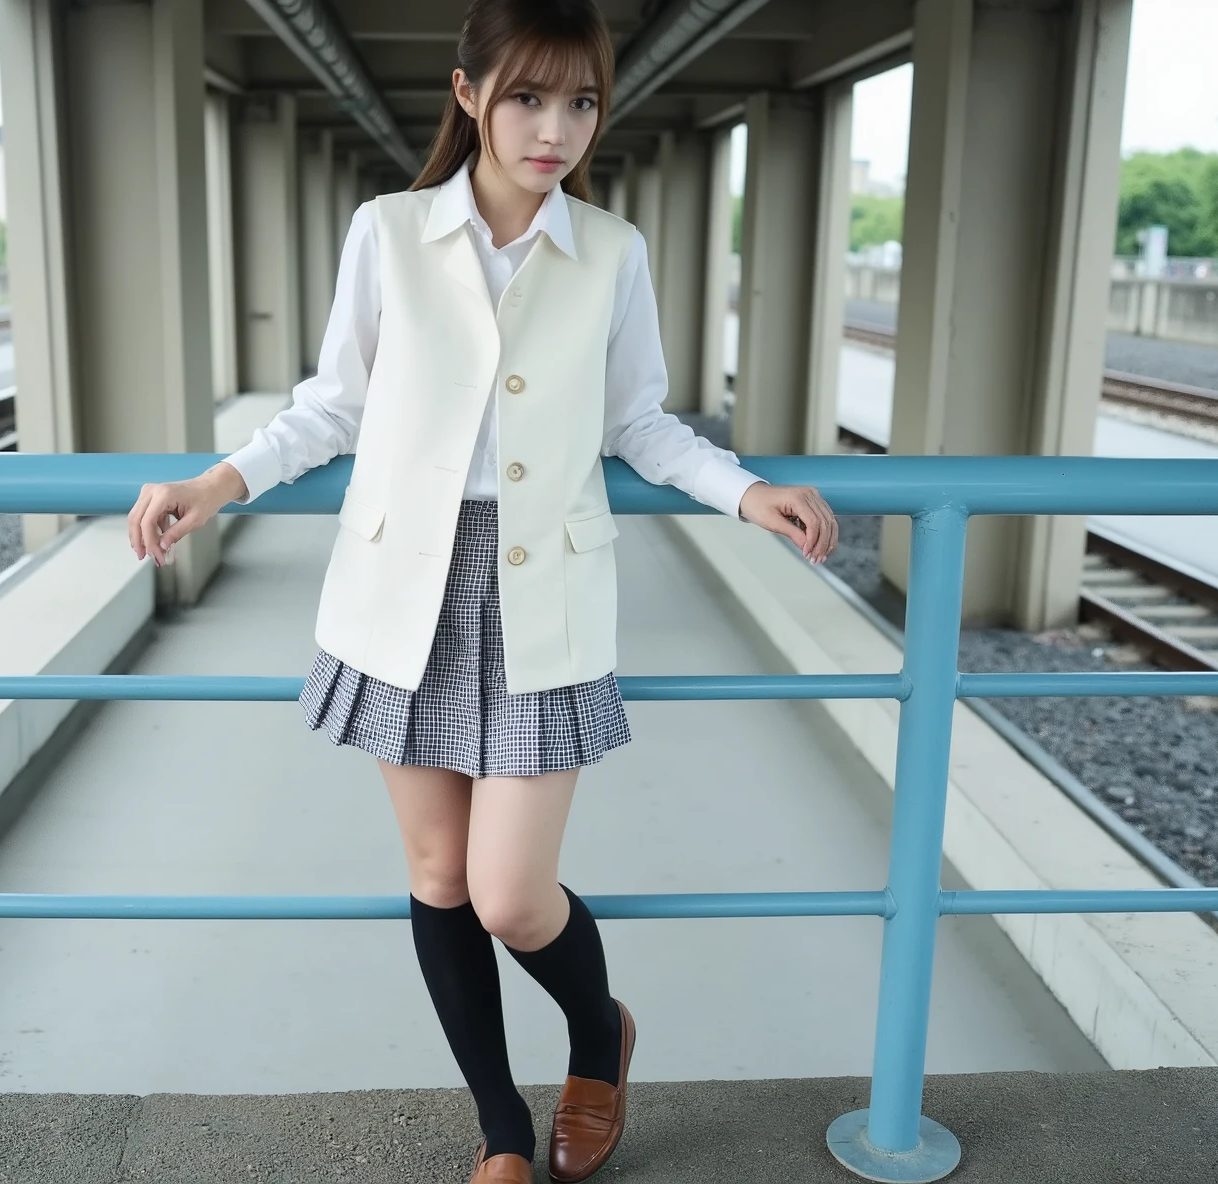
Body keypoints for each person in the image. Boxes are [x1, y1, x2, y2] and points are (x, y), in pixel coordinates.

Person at [123, 2, 838, 1181]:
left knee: (510, 892)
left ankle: (597, 1036)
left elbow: (637, 421)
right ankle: (501, 1124)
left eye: (579, 102)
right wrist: (218, 479)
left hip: (540, 590)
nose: (552, 128)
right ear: (467, 96)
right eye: (524, 98)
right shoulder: (389, 232)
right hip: (403, 586)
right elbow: (333, 405)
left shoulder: (609, 250)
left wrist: (742, 489)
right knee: (438, 878)